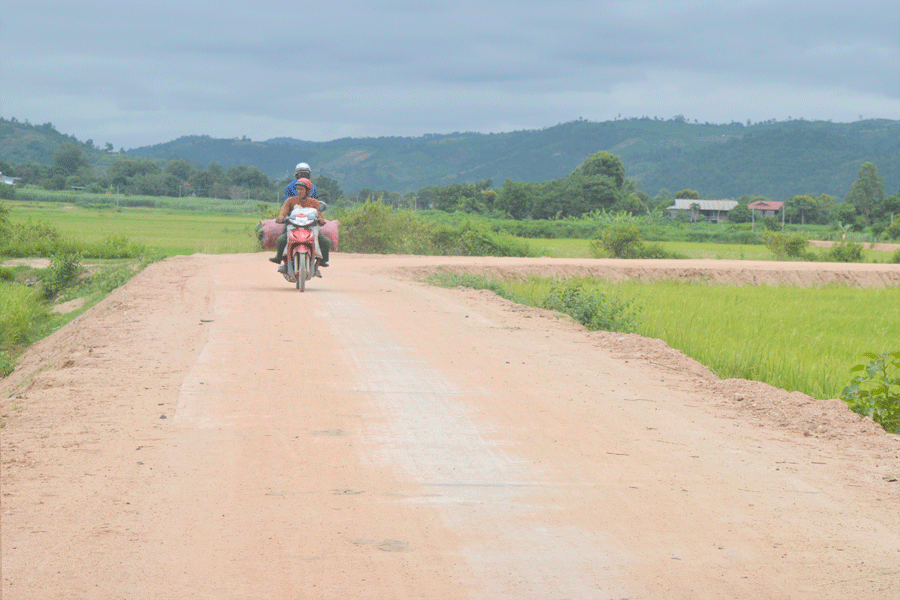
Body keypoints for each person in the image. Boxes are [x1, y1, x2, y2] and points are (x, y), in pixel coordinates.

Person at [270, 178, 324, 272]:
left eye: (301, 189)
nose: (299, 191)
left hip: (310, 226)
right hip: (294, 225)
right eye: (297, 189)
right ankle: (284, 262)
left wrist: (321, 220)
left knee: (325, 241)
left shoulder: (314, 202)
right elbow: (283, 211)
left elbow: (320, 215)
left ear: (307, 190)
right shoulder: (290, 200)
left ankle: (318, 263)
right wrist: (280, 217)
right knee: (281, 240)